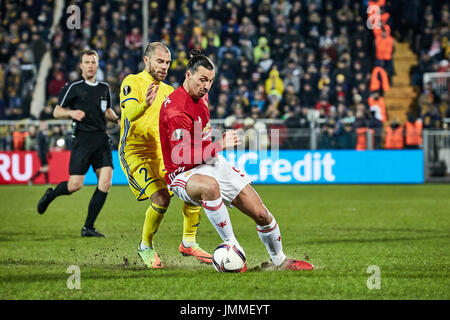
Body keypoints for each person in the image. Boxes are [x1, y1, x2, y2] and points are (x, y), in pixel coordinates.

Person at [159, 50, 314, 271]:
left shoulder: (202, 97)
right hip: (182, 174)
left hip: (210, 162)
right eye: (202, 80)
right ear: (188, 75)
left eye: (210, 81)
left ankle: (280, 261)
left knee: (261, 214)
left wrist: (214, 148)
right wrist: (218, 144)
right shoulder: (175, 109)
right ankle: (232, 246)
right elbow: (181, 156)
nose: (206, 86)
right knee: (209, 186)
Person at [118, 42, 211, 269]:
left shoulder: (170, 92)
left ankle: (189, 242)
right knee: (161, 198)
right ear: (146, 60)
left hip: (162, 154)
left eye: (168, 63)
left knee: (195, 186)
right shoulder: (132, 82)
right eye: (160, 61)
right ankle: (145, 247)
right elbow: (129, 113)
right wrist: (144, 104)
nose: (164, 67)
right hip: (135, 152)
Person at [37, 49, 120, 237]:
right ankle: (51, 194)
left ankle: (88, 227)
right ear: (81, 65)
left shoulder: (104, 88)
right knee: (75, 185)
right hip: (82, 140)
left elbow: (106, 111)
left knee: (105, 182)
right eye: (87, 62)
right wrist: (71, 113)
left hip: (101, 139)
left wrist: (116, 119)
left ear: (97, 64)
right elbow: (56, 111)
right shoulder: (73, 87)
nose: (90, 65)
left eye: (93, 62)